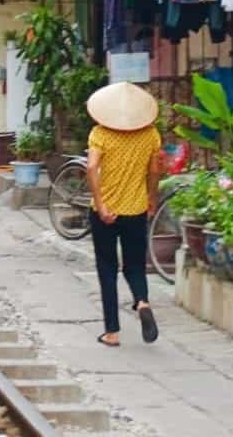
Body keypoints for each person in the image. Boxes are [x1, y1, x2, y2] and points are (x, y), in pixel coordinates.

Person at [85, 81, 162, 347]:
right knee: (135, 265)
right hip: (136, 208)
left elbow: (92, 167)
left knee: (107, 268)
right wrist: (151, 197)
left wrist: (101, 203)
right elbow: (154, 171)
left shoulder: (100, 133)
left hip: (106, 212)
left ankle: (112, 332)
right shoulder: (151, 134)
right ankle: (141, 302)